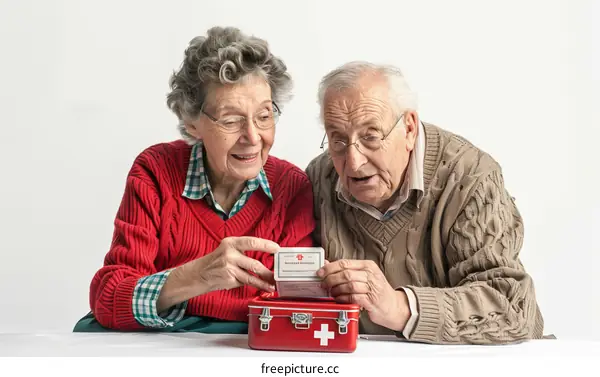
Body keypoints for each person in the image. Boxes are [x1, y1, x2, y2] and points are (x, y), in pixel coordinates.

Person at [80, 27, 315, 332]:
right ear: (192, 122)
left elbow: (301, 306)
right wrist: (198, 277)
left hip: (245, 343)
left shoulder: (292, 186)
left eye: (265, 115)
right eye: (231, 120)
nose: (253, 137)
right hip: (161, 337)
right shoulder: (155, 170)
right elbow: (109, 297)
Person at [306, 61, 545, 345]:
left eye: (370, 137)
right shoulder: (319, 178)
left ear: (408, 129)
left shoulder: (469, 177)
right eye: (338, 140)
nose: (354, 162)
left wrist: (398, 308)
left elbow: (512, 307)